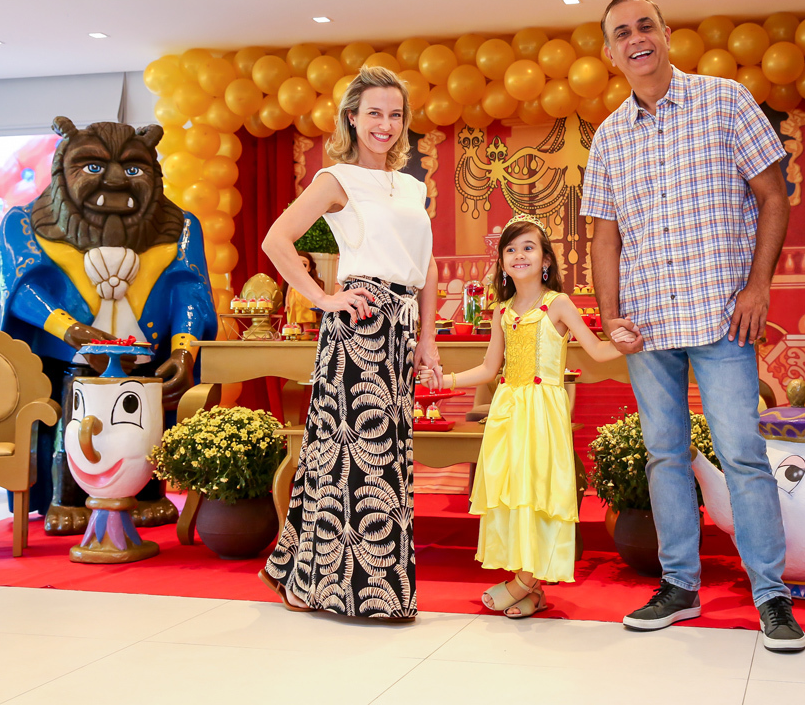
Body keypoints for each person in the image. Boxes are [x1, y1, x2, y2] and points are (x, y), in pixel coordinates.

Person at [582, 0, 805, 651]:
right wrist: (611, 316)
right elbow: (604, 236)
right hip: (648, 324)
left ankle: (771, 595)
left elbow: (773, 196)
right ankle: (679, 585)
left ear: (666, 34)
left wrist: (758, 287)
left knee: (742, 454)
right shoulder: (611, 135)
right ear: (610, 52)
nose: (636, 39)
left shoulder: (725, 101)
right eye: (622, 33)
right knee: (664, 456)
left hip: (722, 316)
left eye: (645, 26)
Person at [257, 66, 442, 619]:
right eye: (374, 113)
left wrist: (428, 337)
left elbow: (427, 265)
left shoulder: (412, 186)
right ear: (353, 119)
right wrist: (323, 298)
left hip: (401, 325)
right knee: (351, 460)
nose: (385, 124)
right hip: (359, 324)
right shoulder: (336, 179)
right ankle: (339, 588)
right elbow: (276, 240)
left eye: (395, 114)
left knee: (383, 459)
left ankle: (342, 586)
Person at [426, 215, 631, 617]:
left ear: (546, 260)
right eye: (511, 249)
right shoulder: (501, 312)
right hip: (508, 411)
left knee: (539, 492)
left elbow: (596, 349)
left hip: (543, 413)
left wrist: (626, 343)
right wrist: (444, 380)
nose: (519, 255)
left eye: (528, 248)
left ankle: (522, 582)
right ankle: (532, 590)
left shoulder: (559, 304)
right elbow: (490, 368)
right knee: (514, 492)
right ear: (502, 262)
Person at [283, 250, 323, 326]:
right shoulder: (292, 280)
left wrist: (317, 303)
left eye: (304, 265)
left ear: (309, 268)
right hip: (294, 303)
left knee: (306, 320)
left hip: (306, 303)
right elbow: (288, 294)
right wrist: (287, 304)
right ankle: (292, 330)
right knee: (293, 319)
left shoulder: (309, 281)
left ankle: (306, 332)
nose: (300, 267)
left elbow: (314, 292)